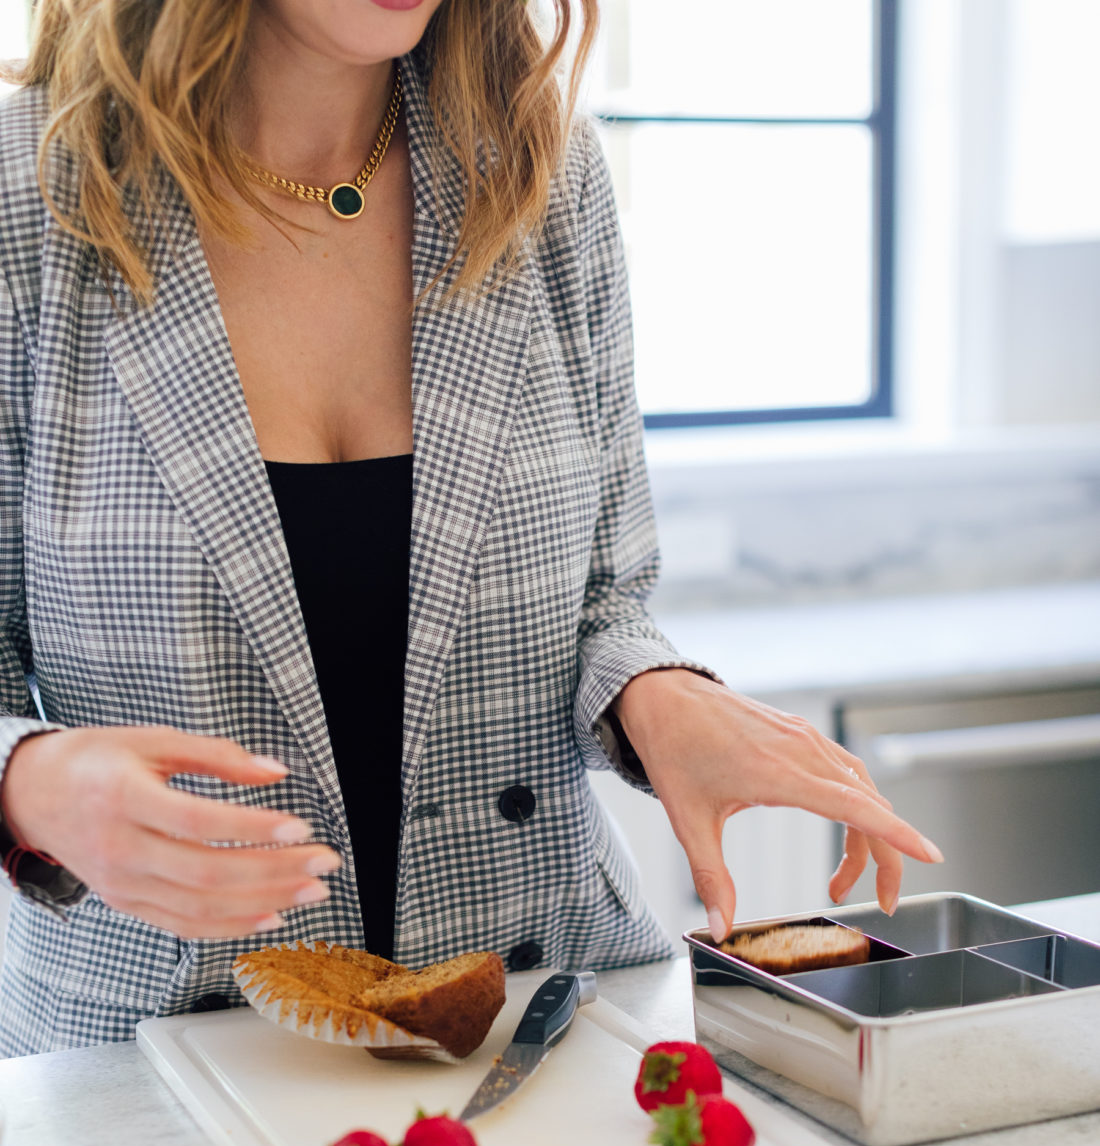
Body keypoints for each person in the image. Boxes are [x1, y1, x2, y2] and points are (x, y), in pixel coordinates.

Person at [0, 0, 941, 1054]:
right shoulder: (25, 198)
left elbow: (605, 599)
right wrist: (27, 784)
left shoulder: (543, 171)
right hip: (157, 1049)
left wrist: (653, 691)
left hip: (542, 1013)